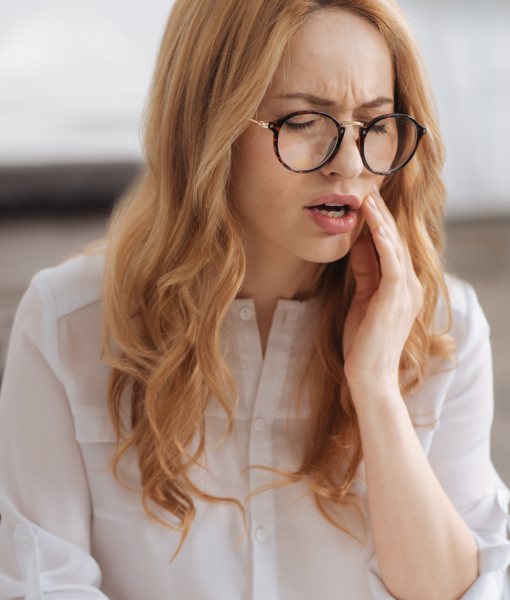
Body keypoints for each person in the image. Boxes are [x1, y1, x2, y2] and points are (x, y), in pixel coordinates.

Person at [0, 0, 509, 598]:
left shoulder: (446, 327)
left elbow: (458, 592)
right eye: (302, 123)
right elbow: (45, 584)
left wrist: (375, 390)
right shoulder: (67, 325)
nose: (348, 163)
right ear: (209, 128)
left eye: (375, 124)